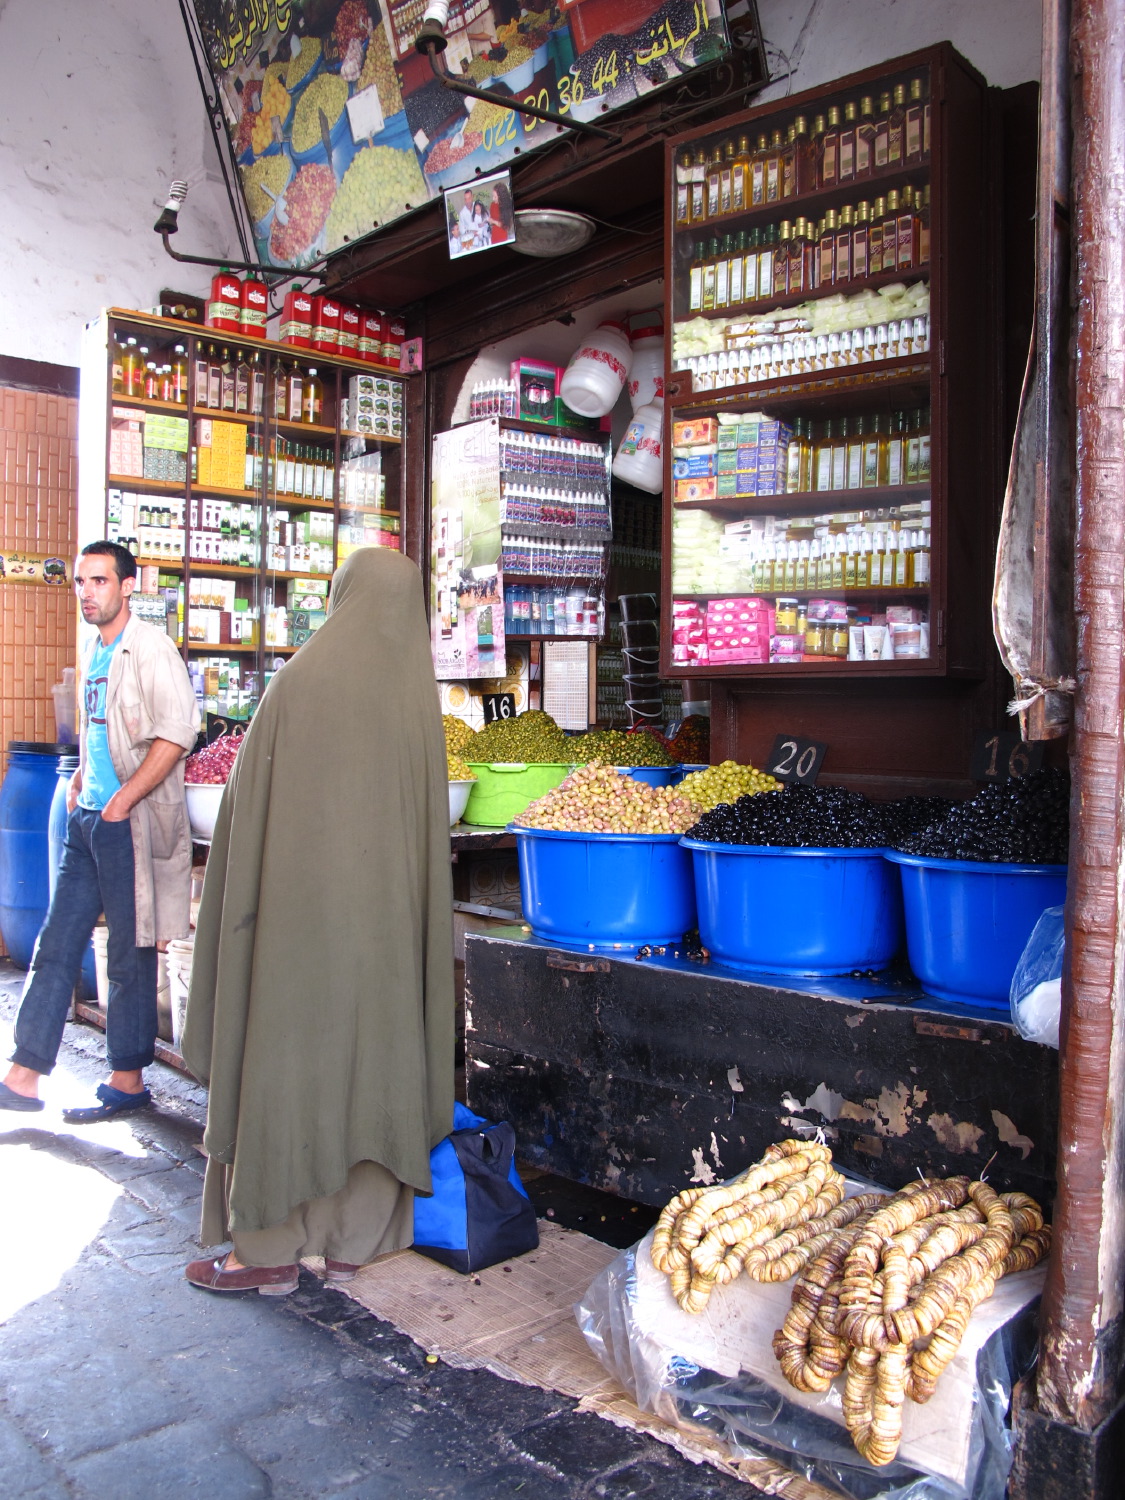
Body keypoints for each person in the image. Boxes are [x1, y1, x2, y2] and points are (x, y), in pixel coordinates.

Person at [180, 548, 454, 1295]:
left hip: (293, 940)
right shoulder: (415, 701)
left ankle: (266, 1250)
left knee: (288, 1065)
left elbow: (242, 814)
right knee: (378, 1066)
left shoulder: (296, 684)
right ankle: (353, 1242)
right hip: (387, 944)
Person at [0, 541, 200, 1119]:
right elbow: (97, 729)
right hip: (87, 818)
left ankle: (127, 1081)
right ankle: (23, 1076)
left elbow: (178, 732)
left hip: (128, 822)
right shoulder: (94, 649)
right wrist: (82, 781)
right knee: (56, 943)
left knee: (130, 954)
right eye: (81, 582)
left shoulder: (150, 648)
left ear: (128, 586)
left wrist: (122, 799)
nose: (87, 593)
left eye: (100, 581)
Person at [456, 188, 476, 253]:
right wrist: (471, 232)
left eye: (469, 198)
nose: (467, 201)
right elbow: (462, 230)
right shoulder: (462, 213)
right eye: (465, 199)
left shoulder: (478, 206)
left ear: (472, 197)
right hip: (471, 242)